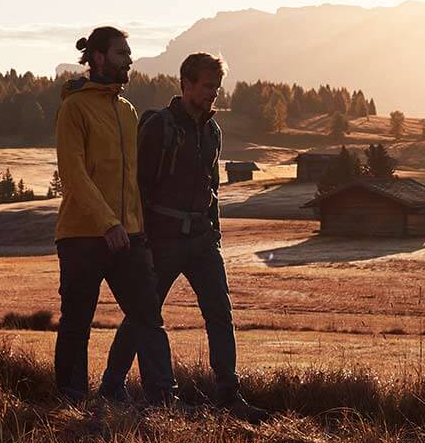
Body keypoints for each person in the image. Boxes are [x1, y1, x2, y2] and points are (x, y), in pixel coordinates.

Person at [118, 51, 268, 420]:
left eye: (216, 88)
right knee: (144, 314)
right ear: (185, 84)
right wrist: (142, 239)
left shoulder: (212, 130)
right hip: (162, 239)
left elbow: (212, 186)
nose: (212, 94)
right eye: (206, 87)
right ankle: (112, 387)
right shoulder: (158, 126)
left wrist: (214, 232)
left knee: (220, 314)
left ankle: (229, 395)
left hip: (203, 240)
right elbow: (137, 185)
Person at [53, 26, 175, 405]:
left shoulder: (127, 111)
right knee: (77, 322)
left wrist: (136, 227)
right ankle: (71, 401)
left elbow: (132, 179)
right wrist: (108, 222)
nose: (130, 60)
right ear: (99, 58)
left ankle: (162, 400)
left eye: (129, 53)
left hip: (129, 235)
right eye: (122, 53)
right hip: (82, 235)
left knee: (147, 316)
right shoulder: (74, 108)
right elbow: (73, 174)